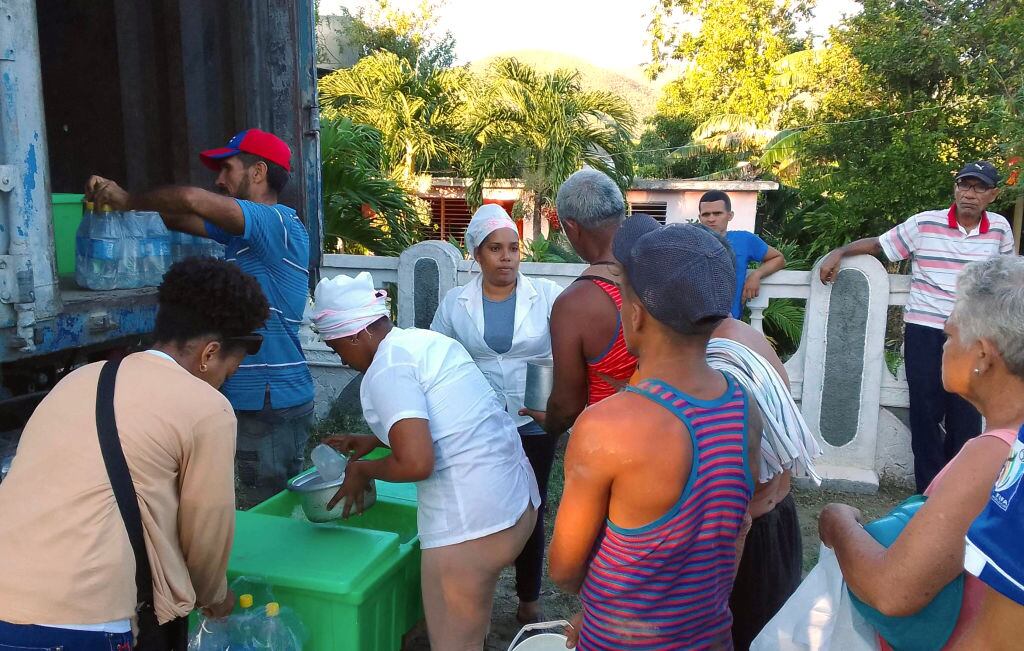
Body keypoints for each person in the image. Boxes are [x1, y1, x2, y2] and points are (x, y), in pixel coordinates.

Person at [0, 258, 269, 650]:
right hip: (83, 618)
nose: (223, 383)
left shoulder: (77, 380)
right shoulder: (206, 408)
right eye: (229, 371)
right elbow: (206, 532)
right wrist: (213, 597)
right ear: (209, 354)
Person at [549, 216, 761, 649]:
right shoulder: (744, 408)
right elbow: (737, 525)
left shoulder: (606, 427)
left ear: (635, 315)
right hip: (709, 638)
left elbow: (564, 570)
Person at [310, 272, 540, 650]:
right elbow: (451, 420)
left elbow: (417, 463)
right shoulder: (421, 342)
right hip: (515, 505)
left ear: (357, 334)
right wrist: (375, 440)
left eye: (339, 349)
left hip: (472, 527)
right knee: (471, 627)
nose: (343, 360)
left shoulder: (387, 367)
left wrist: (362, 470)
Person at [87, 128, 315, 505]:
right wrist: (118, 200)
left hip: (267, 402)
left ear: (258, 172)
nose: (218, 180)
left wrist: (127, 199)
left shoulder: (276, 223)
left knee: (262, 508)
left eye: (227, 169)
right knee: (257, 506)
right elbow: (177, 218)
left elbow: (192, 200)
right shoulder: (243, 237)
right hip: (262, 401)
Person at [819, 255, 1024, 650]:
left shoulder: (994, 455)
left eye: (949, 335)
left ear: (982, 355)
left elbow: (893, 591)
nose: (943, 346)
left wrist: (838, 522)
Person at [819, 160, 1015, 492]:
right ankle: (928, 491)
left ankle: (958, 489)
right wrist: (838, 252)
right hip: (925, 329)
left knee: (966, 414)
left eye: (979, 187)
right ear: (955, 188)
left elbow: (1008, 278)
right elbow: (881, 245)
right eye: (964, 185)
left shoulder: (999, 230)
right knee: (925, 412)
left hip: (974, 335)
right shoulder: (925, 223)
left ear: (993, 195)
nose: (969, 193)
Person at [430, 204, 562, 624]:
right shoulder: (455, 303)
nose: (506, 257)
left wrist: (558, 406)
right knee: (479, 508)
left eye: (513, 248)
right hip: (478, 422)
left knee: (532, 508)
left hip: (535, 422)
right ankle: (478, 596)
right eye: (495, 249)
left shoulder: (547, 297)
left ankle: (528, 597)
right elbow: (437, 355)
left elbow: (568, 352)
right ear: (476, 254)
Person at [524, 169, 638, 436]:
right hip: (671, 436)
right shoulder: (660, 269)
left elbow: (567, 406)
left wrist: (548, 423)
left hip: (611, 443)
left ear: (572, 227)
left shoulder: (576, 303)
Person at [698, 190, 786, 319]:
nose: (711, 219)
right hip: (693, 324)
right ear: (700, 218)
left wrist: (756, 275)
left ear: (730, 215)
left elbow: (779, 259)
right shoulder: (690, 242)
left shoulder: (744, 240)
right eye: (706, 214)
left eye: (717, 213)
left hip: (729, 322)